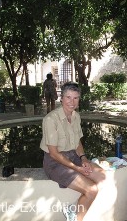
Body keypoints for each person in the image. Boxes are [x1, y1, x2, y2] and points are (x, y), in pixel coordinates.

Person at [40, 82, 106, 221]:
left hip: (74, 156)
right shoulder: (51, 119)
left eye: (75, 98)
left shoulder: (76, 116)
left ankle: (75, 210)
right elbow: (53, 153)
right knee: (91, 189)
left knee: (102, 177)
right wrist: (77, 169)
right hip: (55, 163)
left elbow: (77, 142)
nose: (72, 102)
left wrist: (83, 159)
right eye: (68, 97)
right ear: (61, 98)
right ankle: (78, 218)